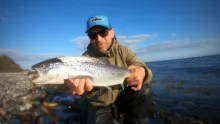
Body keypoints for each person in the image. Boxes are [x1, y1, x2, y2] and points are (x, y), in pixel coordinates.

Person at [66, 15, 153, 124]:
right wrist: (81, 90)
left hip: (122, 98)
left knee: (145, 91)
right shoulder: (85, 59)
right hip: (100, 105)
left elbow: (142, 67)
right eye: (93, 35)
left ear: (112, 32)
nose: (99, 39)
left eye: (103, 32)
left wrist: (143, 71)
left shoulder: (124, 51)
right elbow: (80, 87)